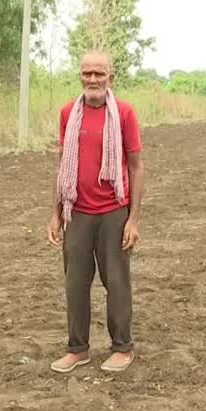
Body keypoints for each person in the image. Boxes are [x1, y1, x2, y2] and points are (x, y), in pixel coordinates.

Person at [45, 51, 145, 374]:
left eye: (99, 74)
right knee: (75, 282)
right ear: (80, 77)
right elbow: (63, 165)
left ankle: (122, 347)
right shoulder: (67, 114)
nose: (93, 79)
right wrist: (56, 213)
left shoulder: (125, 114)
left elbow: (136, 167)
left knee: (116, 282)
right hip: (78, 211)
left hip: (114, 211)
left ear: (110, 78)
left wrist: (133, 218)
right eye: (87, 73)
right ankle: (77, 349)